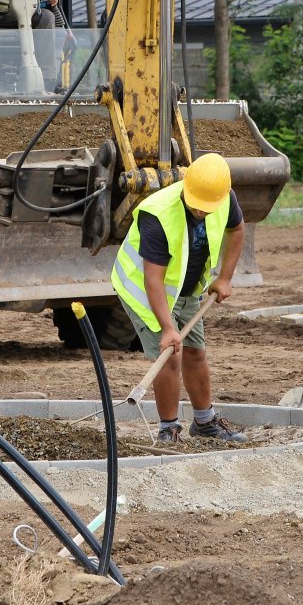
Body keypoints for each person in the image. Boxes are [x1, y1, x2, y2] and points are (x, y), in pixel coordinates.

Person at [108, 152, 250, 445]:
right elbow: (153, 280)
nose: (201, 212)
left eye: (206, 208)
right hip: (145, 293)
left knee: (196, 351)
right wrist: (168, 328)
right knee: (171, 355)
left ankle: (204, 421)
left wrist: (224, 278)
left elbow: (236, 230)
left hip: (186, 289)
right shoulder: (157, 214)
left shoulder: (224, 198)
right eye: (197, 206)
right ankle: (168, 428)